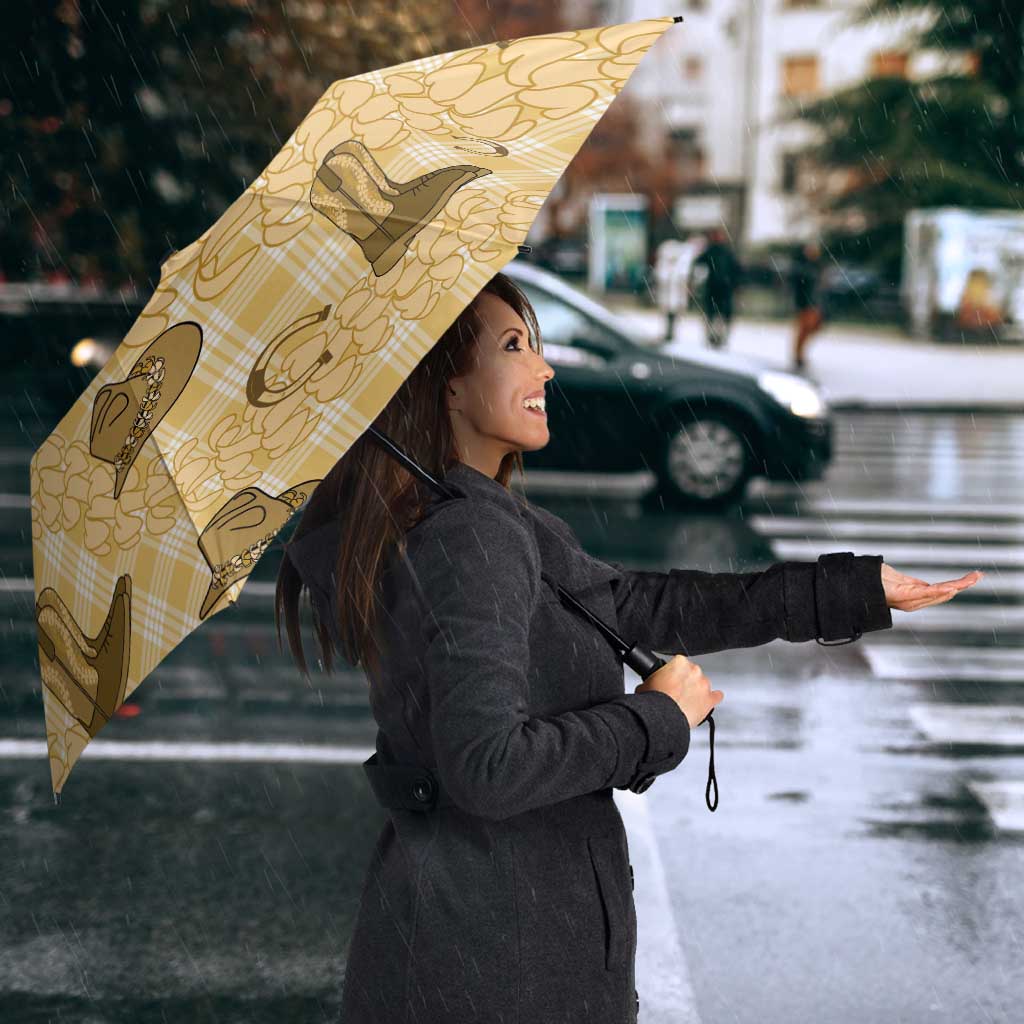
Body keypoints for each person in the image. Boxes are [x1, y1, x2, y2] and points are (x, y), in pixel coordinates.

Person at [274, 271, 968, 1024]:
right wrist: (657, 719)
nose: (544, 368)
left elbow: (639, 605)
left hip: (477, 940)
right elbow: (488, 767)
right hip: (498, 962)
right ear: (447, 386)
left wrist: (850, 590)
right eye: (514, 346)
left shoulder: (471, 519)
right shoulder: (470, 537)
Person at [692, 226, 742, 349]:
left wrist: (735, 284)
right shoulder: (714, 251)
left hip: (722, 289)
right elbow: (698, 263)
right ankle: (713, 337)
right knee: (714, 314)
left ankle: (719, 337)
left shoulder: (724, 252)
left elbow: (736, 270)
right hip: (716, 288)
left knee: (719, 315)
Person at [790, 239, 826, 370]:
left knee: (812, 327)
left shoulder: (816, 266)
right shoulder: (802, 267)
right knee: (804, 329)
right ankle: (798, 355)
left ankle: (799, 354)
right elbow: (799, 286)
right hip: (805, 303)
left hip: (814, 303)